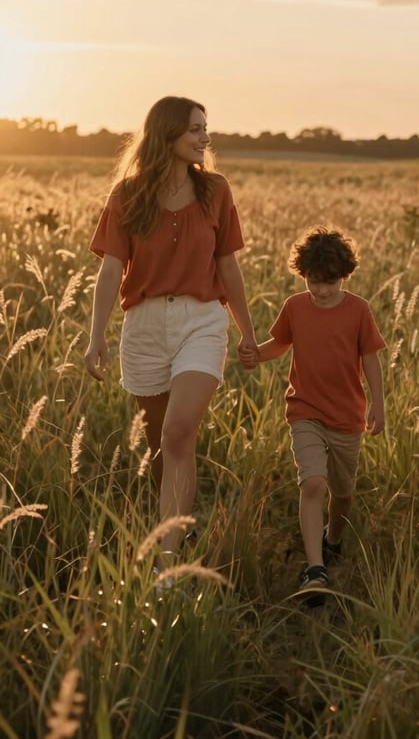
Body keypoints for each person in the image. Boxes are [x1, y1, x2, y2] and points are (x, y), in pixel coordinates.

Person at [84, 96, 257, 571]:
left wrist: (247, 332)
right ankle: (178, 524)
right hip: (144, 327)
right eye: (194, 130)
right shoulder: (127, 195)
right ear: (167, 136)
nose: (205, 137)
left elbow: (228, 265)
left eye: (206, 128)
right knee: (163, 445)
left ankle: (168, 567)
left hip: (202, 320)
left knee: (180, 432)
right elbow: (112, 268)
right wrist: (96, 336)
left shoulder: (215, 191)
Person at [251, 226, 386, 601]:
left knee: (342, 493)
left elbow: (371, 358)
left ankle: (333, 538)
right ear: (303, 275)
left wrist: (378, 403)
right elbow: (279, 343)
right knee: (313, 483)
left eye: (330, 283)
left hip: (347, 415)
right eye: (314, 282)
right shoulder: (295, 307)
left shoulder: (358, 309)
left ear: (345, 276)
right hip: (305, 410)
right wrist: (254, 354)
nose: (322, 290)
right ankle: (315, 570)